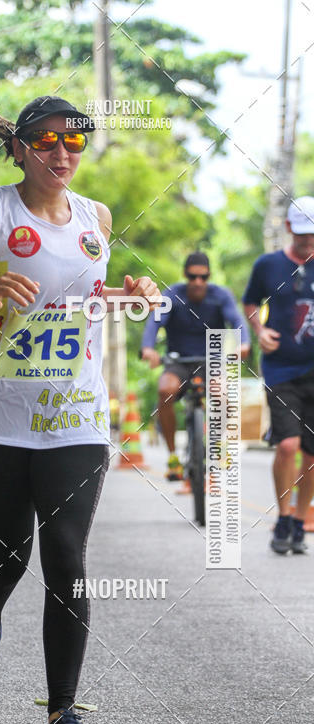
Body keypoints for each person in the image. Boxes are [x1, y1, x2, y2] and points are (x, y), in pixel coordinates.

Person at [0, 94, 162, 724]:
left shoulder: (97, 219)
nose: (62, 154)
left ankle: (61, 718)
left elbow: (80, 297)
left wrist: (129, 294)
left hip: (76, 417)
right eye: (49, 142)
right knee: (8, 561)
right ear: (20, 147)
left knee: (67, 556)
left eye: (75, 143)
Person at [243, 197, 314, 554]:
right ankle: (283, 516)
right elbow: (251, 301)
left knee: (312, 452)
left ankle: (300, 520)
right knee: (288, 444)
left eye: (313, 235)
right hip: (282, 368)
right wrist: (259, 330)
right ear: (289, 228)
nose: (308, 242)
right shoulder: (269, 265)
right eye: (302, 235)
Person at [141, 252, 250, 480]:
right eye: (193, 277)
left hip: (211, 361)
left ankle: (218, 445)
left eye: (203, 276)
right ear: (185, 275)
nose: (198, 282)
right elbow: (154, 322)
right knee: (164, 391)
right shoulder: (172, 294)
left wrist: (244, 343)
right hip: (178, 362)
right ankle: (173, 458)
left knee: (223, 396)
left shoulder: (221, 295)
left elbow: (238, 320)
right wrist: (148, 348)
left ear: (209, 276)